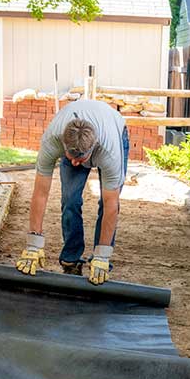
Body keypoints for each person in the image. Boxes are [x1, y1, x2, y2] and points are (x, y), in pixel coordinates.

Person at [16, 99, 129, 284]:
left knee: (105, 202)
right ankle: (71, 259)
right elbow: (40, 193)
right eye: (71, 159)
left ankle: (100, 260)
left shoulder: (109, 152)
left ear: (93, 150)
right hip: (75, 138)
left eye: (81, 159)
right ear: (64, 145)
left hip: (115, 128)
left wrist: (103, 254)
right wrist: (33, 244)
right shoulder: (52, 139)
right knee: (70, 199)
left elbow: (111, 205)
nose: (76, 164)